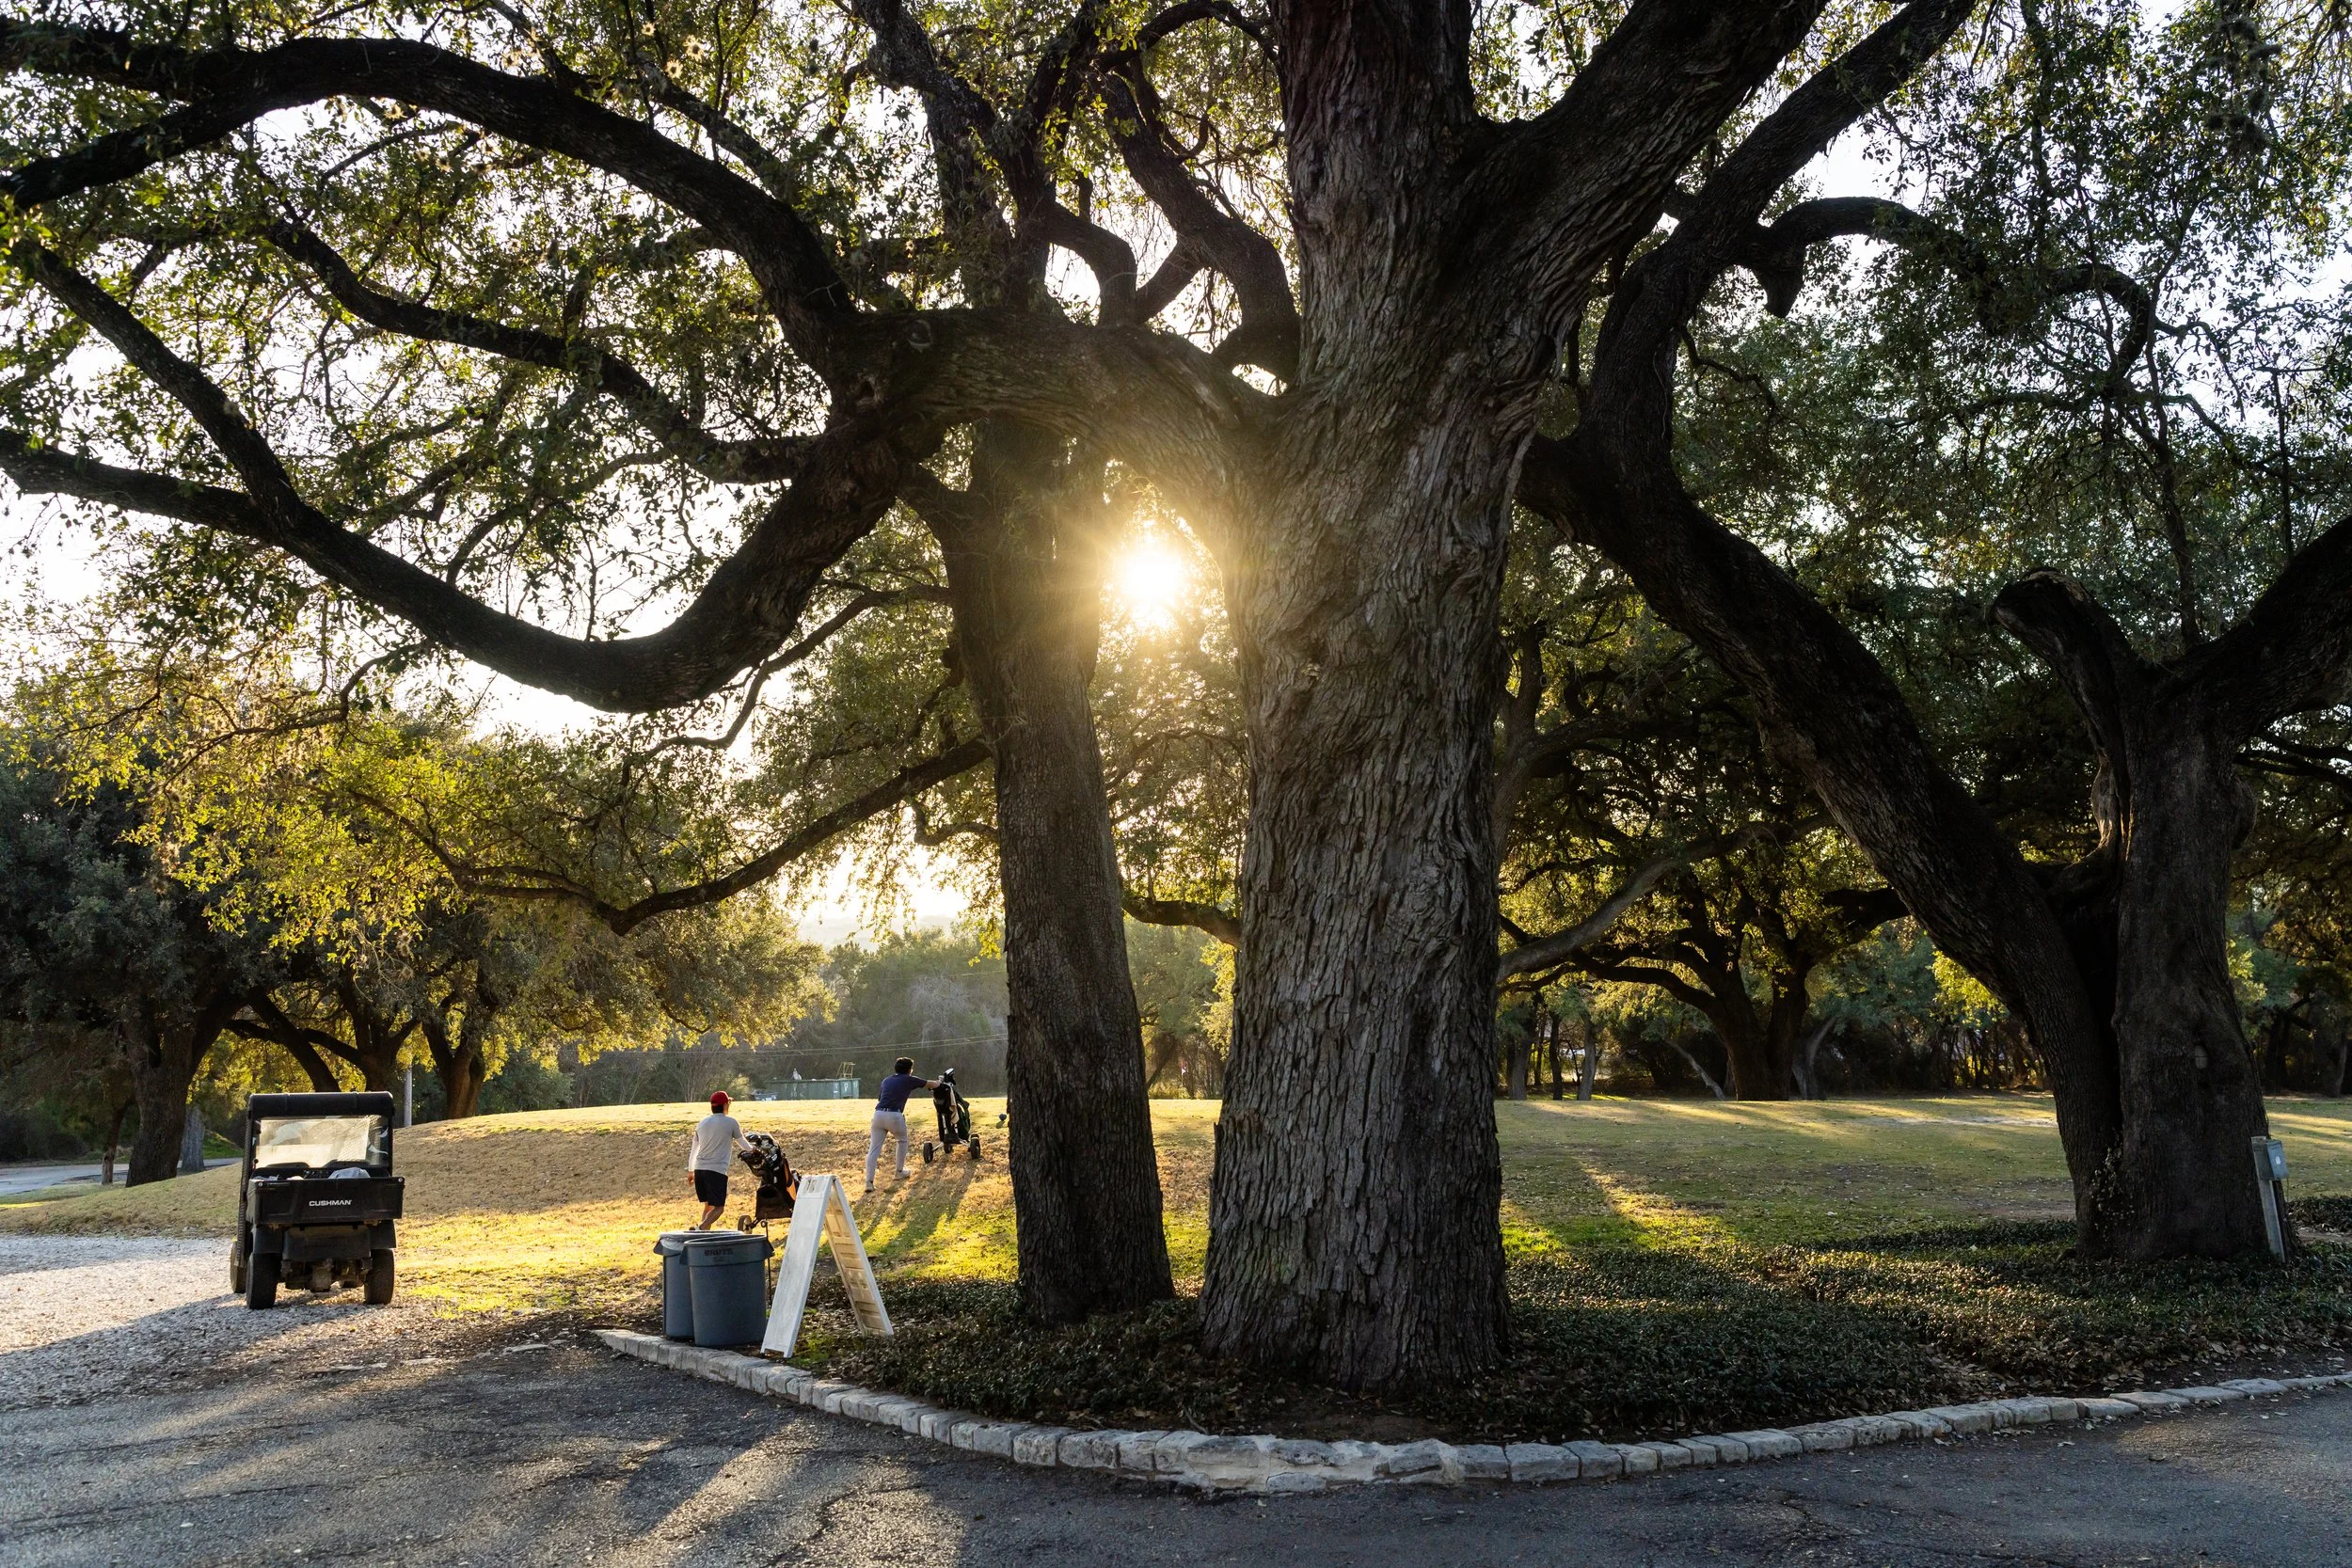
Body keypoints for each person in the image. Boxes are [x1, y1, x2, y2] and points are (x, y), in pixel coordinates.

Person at [866, 1057, 935, 1196]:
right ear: (910, 1070)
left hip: (878, 1114)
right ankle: (899, 1171)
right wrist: (940, 1082)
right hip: (894, 1115)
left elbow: (881, 1098)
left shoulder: (886, 1080)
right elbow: (930, 1084)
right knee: (902, 1141)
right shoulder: (909, 1079)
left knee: (874, 1149)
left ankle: (869, 1182)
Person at [686, 1090, 755, 1229]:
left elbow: (694, 1149)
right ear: (725, 1105)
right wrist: (755, 1150)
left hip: (699, 1170)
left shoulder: (702, 1123)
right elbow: (744, 1144)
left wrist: (691, 1171)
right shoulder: (731, 1122)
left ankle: (703, 1237)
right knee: (719, 1208)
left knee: (708, 1206)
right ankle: (701, 1229)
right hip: (716, 1171)